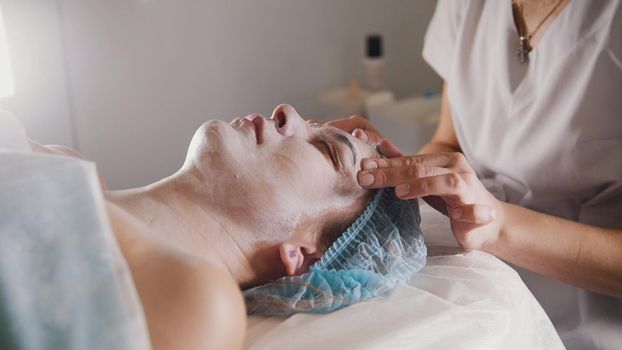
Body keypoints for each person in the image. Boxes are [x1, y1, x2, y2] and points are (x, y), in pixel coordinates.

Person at [327, 1, 622, 349]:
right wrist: (400, 169)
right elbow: (448, 141)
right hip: (476, 294)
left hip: (589, 324)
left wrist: (497, 225)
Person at [23, 104, 383, 349]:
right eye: (316, 125)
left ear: (301, 254)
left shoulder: (202, 304)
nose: (286, 111)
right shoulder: (64, 161)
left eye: (326, 149)